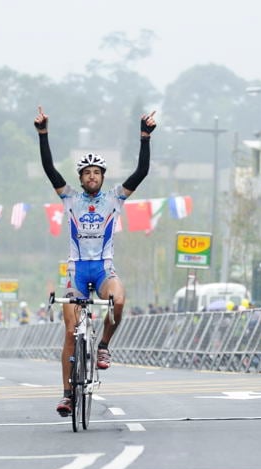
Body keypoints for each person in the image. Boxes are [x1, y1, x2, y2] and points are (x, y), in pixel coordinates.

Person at [34, 105, 156, 416]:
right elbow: (49, 170)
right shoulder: (70, 197)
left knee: (117, 299)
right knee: (71, 332)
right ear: (81, 177)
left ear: (102, 177)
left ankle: (102, 345)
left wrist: (145, 137)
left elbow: (141, 172)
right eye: (87, 173)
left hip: (103, 269)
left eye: (96, 173)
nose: (92, 177)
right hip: (76, 271)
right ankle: (66, 395)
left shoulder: (115, 197)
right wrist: (43, 134)